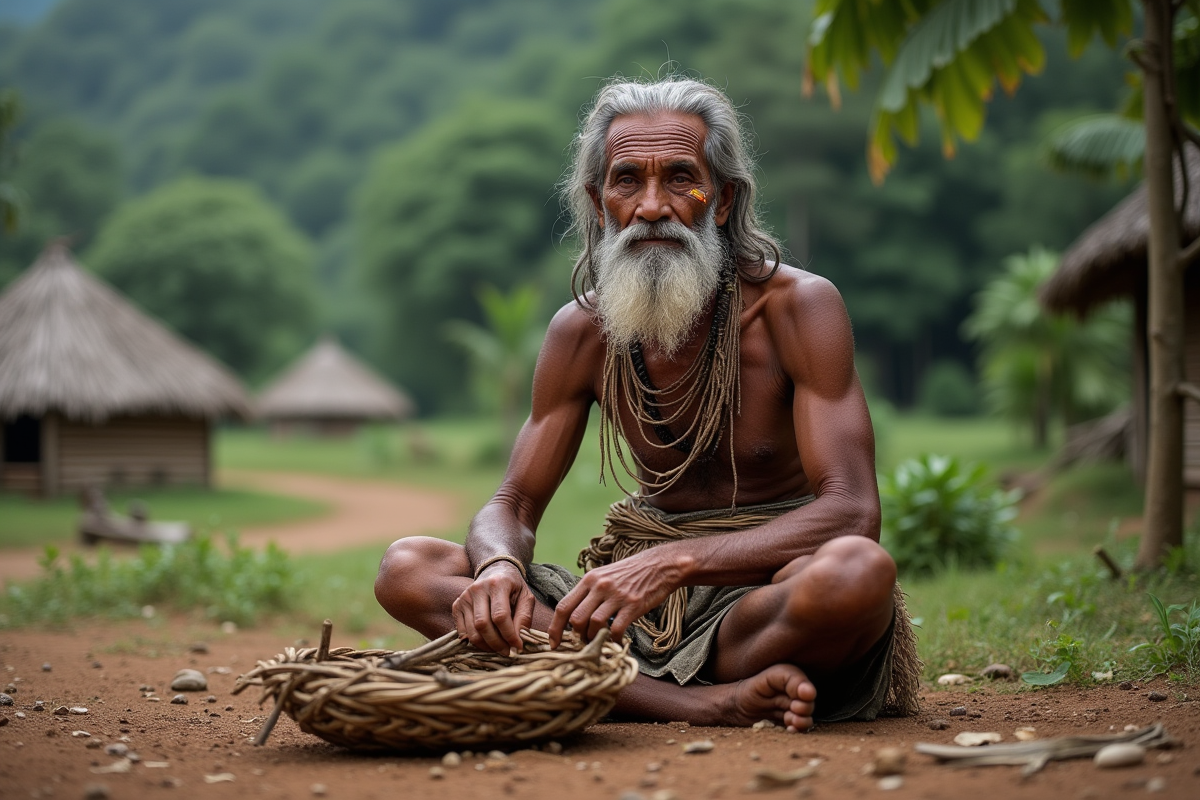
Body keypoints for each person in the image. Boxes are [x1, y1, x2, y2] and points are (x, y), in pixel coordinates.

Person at [375, 77, 920, 731]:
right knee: (409, 567)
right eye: (627, 180)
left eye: (680, 179)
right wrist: (496, 568)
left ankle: (605, 683)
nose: (652, 206)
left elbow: (854, 513)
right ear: (597, 201)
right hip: (626, 616)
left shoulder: (798, 309)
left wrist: (670, 562)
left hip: (762, 606)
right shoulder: (580, 333)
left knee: (857, 573)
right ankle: (696, 703)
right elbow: (512, 504)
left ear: (721, 201)